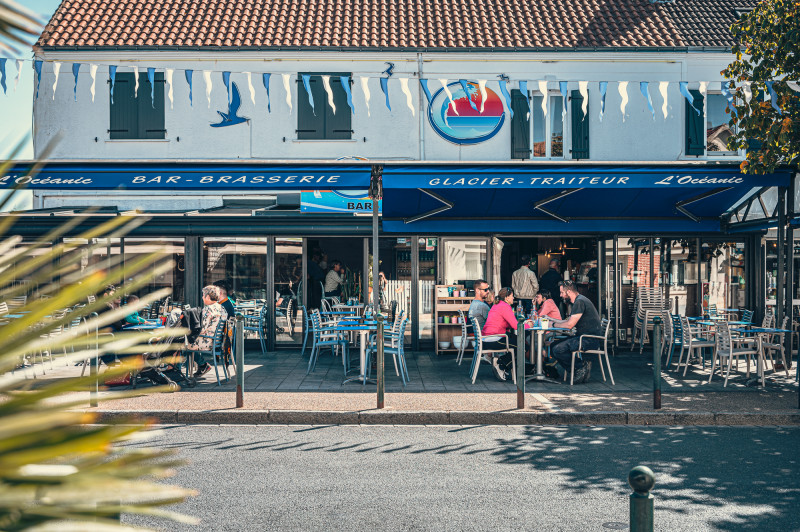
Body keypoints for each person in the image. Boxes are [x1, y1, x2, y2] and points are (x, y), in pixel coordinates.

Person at [547, 280, 604, 384]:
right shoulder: (580, 300)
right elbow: (568, 321)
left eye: (562, 293)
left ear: (568, 292)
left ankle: (580, 367)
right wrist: (552, 321)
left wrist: (553, 325)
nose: (560, 295)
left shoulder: (579, 302)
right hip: (585, 337)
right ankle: (580, 368)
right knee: (553, 345)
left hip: (589, 339)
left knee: (558, 349)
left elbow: (569, 325)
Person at [481, 287, 532, 381]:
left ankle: (509, 366)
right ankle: (501, 364)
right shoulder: (505, 307)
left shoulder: (497, 305)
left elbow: (508, 324)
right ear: (507, 297)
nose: (513, 298)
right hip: (495, 339)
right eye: (512, 296)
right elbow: (516, 326)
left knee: (520, 341)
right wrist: (529, 325)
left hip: (488, 338)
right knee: (523, 346)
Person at [185, 285, 227, 378]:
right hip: (216, 341)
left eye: (203, 295)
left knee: (181, 344)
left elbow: (201, 329)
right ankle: (202, 365)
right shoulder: (222, 308)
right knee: (188, 342)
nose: (202, 297)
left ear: (208, 296)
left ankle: (175, 372)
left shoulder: (208, 309)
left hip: (206, 341)